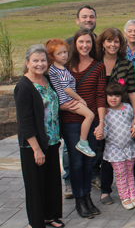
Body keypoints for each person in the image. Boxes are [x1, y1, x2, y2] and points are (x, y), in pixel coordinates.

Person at [15, 44, 64, 228]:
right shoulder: (24, 86)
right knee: (35, 186)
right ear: (27, 62)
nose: (40, 64)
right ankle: (36, 223)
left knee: (51, 181)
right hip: (33, 145)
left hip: (51, 141)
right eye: (35, 60)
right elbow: (25, 122)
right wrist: (36, 149)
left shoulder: (48, 79)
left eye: (43, 60)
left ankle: (50, 216)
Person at [60, 28, 106, 219]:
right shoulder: (65, 66)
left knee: (89, 162)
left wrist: (101, 122)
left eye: (88, 42)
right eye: (81, 42)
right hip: (71, 122)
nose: (85, 45)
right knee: (77, 162)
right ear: (75, 44)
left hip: (92, 121)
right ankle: (79, 199)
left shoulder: (98, 67)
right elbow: (57, 94)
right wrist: (64, 108)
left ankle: (87, 196)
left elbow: (100, 95)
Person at [94, 27, 135, 205]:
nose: (112, 45)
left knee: (129, 147)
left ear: (120, 44)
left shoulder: (126, 64)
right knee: (105, 153)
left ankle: (132, 187)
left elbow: (131, 91)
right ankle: (106, 190)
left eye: (116, 41)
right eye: (109, 41)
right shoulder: (96, 63)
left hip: (122, 115)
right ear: (103, 43)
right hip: (102, 114)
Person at [46, 39, 96, 158]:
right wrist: (80, 99)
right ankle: (83, 142)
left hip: (65, 99)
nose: (63, 55)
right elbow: (67, 89)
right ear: (52, 56)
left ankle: (83, 142)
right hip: (67, 99)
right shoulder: (61, 70)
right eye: (59, 53)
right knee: (90, 115)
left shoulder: (55, 68)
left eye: (65, 52)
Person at [102, 82, 135, 210]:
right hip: (114, 149)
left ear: (122, 97)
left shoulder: (127, 108)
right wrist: (99, 133)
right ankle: (124, 197)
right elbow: (104, 130)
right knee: (120, 174)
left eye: (117, 96)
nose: (113, 98)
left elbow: (134, 122)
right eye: (110, 96)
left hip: (129, 148)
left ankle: (133, 195)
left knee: (130, 172)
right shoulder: (106, 112)